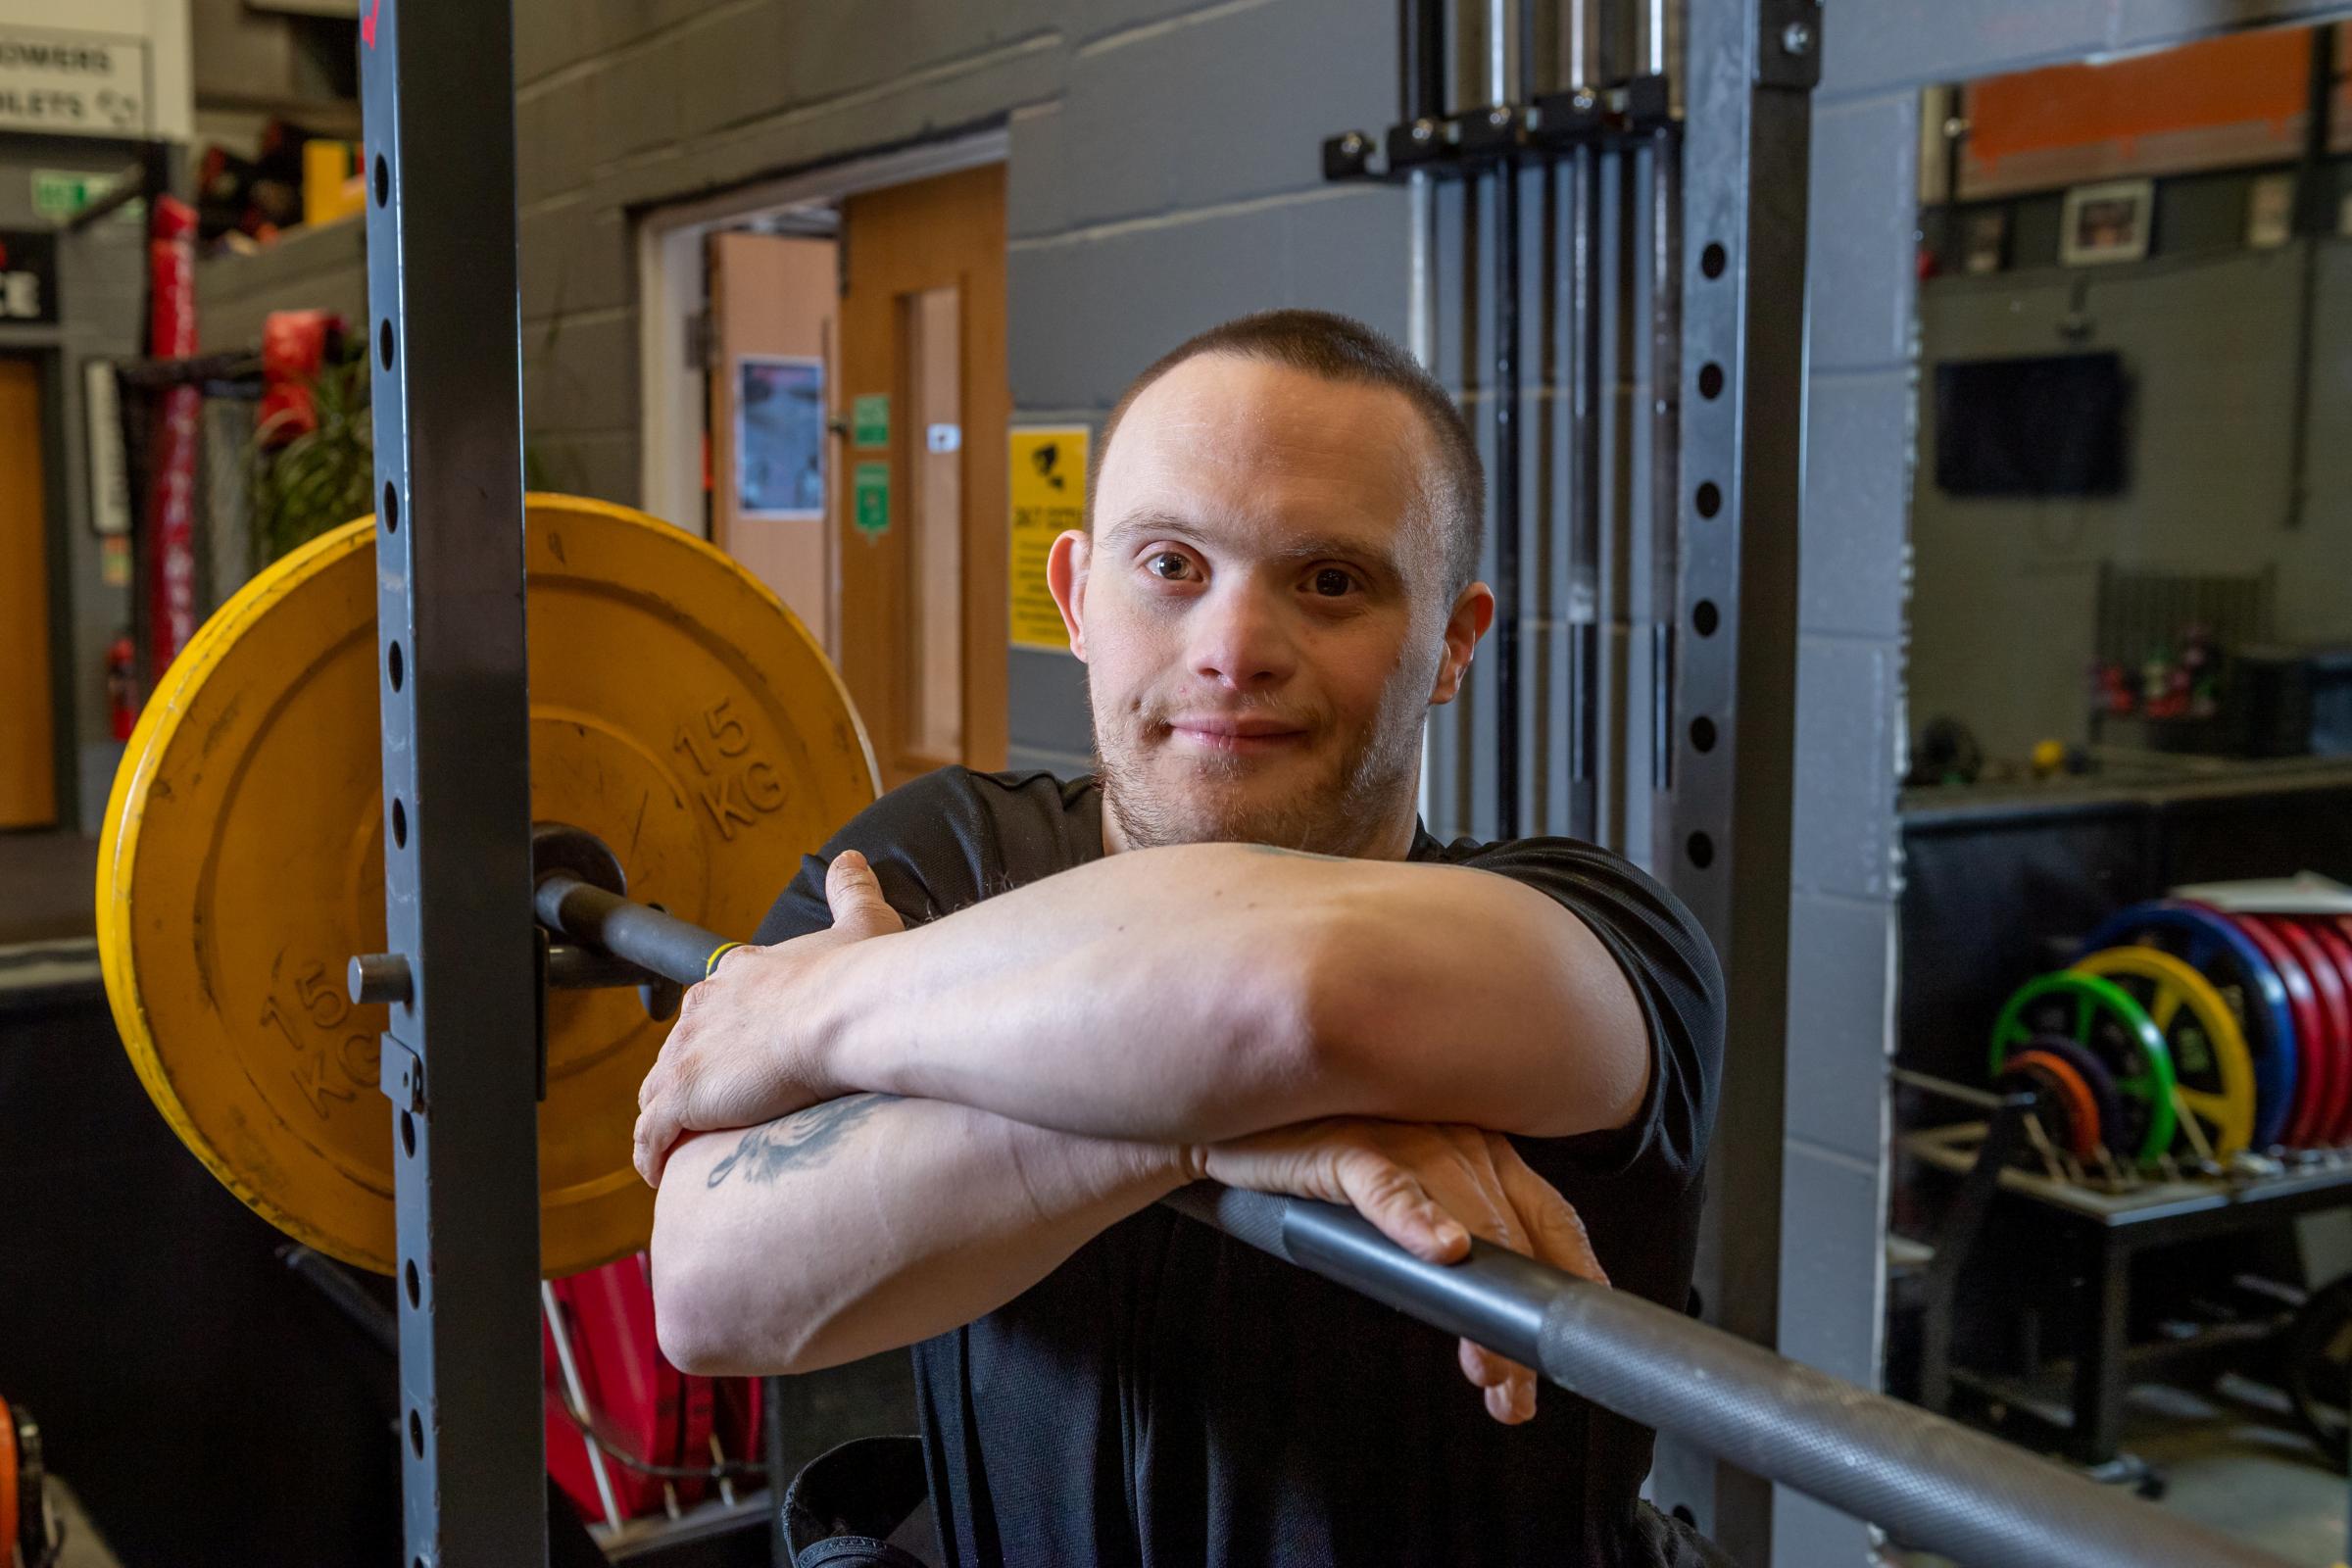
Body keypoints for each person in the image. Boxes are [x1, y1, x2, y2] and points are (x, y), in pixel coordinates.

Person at [634, 310, 1726, 1567]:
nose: (1232, 651)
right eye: (1171, 565)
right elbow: (710, 1288)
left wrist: (827, 1008)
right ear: (1077, 596)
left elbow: (1283, 1001)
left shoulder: (1593, 936)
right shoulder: (941, 858)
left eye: (1330, 582)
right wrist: (1206, 1130)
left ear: (1453, 643)